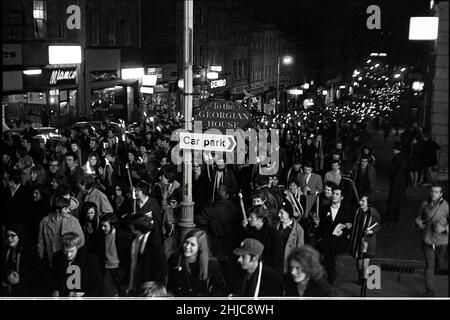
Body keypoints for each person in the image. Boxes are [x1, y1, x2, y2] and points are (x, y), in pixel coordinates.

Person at [194, 185, 242, 290]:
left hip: (215, 246)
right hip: (231, 245)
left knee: (216, 271)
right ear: (228, 195)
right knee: (230, 272)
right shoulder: (236, 209)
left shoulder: (210, 209)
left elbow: (199, 220)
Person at [167, 229, 226, 296]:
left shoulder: (211, 264)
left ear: (200, 247)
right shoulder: (175, 259)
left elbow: (219, 288)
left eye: (192, 244)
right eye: (186, 242)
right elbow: (170, 285)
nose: (187, 247)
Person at [415, 184, 449, 297]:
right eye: (432, 191)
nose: (433, 194)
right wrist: (418, 223)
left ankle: (437, 267)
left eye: (436, 192)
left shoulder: (446, 206)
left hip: (442, 239)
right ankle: (429, 291)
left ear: (441, 194)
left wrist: (444, 228)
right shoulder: (425, 204)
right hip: (428, 238)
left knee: (440, 261)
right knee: (430, 265)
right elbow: (419, 217)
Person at [317, 185, 353, 285]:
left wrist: (345, 231)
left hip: (339, 241)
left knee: (335, 262)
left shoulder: (347, 210)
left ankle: (332, 278)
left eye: (337, 194)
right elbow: (321, 226)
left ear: (341, 197)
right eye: (333, 193)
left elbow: (350, 225)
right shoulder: (324, 209)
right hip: (327, 240)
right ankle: (330, 280)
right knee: (328, 262)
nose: (334, 196)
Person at [37, 196, 85, 268]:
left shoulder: (73, 221)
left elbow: (81, 241)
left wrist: (72, 252)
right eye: (66, 209)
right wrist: (40, 260)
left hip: (70, 262)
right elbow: (40, 244)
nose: (69, 211)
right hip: (52, 261)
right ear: (57, 211)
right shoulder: (44, 222)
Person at [50, 232, 103, 297]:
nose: (68, 255)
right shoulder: (57, 257)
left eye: (72, 251)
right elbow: (53, 278)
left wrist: (83, 296)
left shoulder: (90, 260)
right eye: (66, 251)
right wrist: (56, 290)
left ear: (77, 247)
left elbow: (97, 286)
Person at [127, 214, 167, 296]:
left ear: (139, 228)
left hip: (150, 290)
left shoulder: (154, 242)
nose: (130, 230)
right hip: (139, 285)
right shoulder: (136, 241)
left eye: (132, 227)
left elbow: (162, 268)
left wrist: (154, 290)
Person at [349, 194, 381, 296]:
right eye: (360, 201)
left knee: (365, 264)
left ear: (368, 203)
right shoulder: (357, 211)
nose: (360, 203)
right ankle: (361, 277)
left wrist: (372, 230)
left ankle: (363, 290)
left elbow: (378, 224)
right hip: (358, 241)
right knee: (359, 264)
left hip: (368, 242)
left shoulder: (373, 212)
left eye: (363, 201)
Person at [1, 224, 45, 296]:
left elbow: (38, 275)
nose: (9, 238)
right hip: (11, 290)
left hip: (28, 291)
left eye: (12, 236)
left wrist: (20, 280)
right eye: (7, 236)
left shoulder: (29, 252)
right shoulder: (6, 251)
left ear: (19, 236)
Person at [242, 206, 284, 274]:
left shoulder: (273, 234)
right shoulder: (250, 232)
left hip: (268, 271)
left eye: (251, 217)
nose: (248, 219)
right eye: (248, 217)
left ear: (260, 219)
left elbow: (277, 260)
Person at [99, 213, 131, 297]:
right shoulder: (101, 236)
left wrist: (123, 270)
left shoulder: (123, 236)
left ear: (112, 226)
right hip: (107, 269)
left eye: (105, 226)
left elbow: (127, 256)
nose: (102, 228)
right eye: (102, 226)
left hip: (119, 270)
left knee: (123, 294)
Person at [277, 201, 304, 272]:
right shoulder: (276, 226)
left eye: (282, 213)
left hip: (288, 266)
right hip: (276, 264)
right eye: (279, 212)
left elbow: (300, 250)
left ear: (289, 214)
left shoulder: (298, 229)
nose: (279, 215)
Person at [385, 141, 408, 224]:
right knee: (397, 202)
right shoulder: (402, 158)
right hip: (399, 183)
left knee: (393, 202)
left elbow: (394, 170)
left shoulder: (397, 159)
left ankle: (391, 218)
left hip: (396, 183)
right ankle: (395, 218)